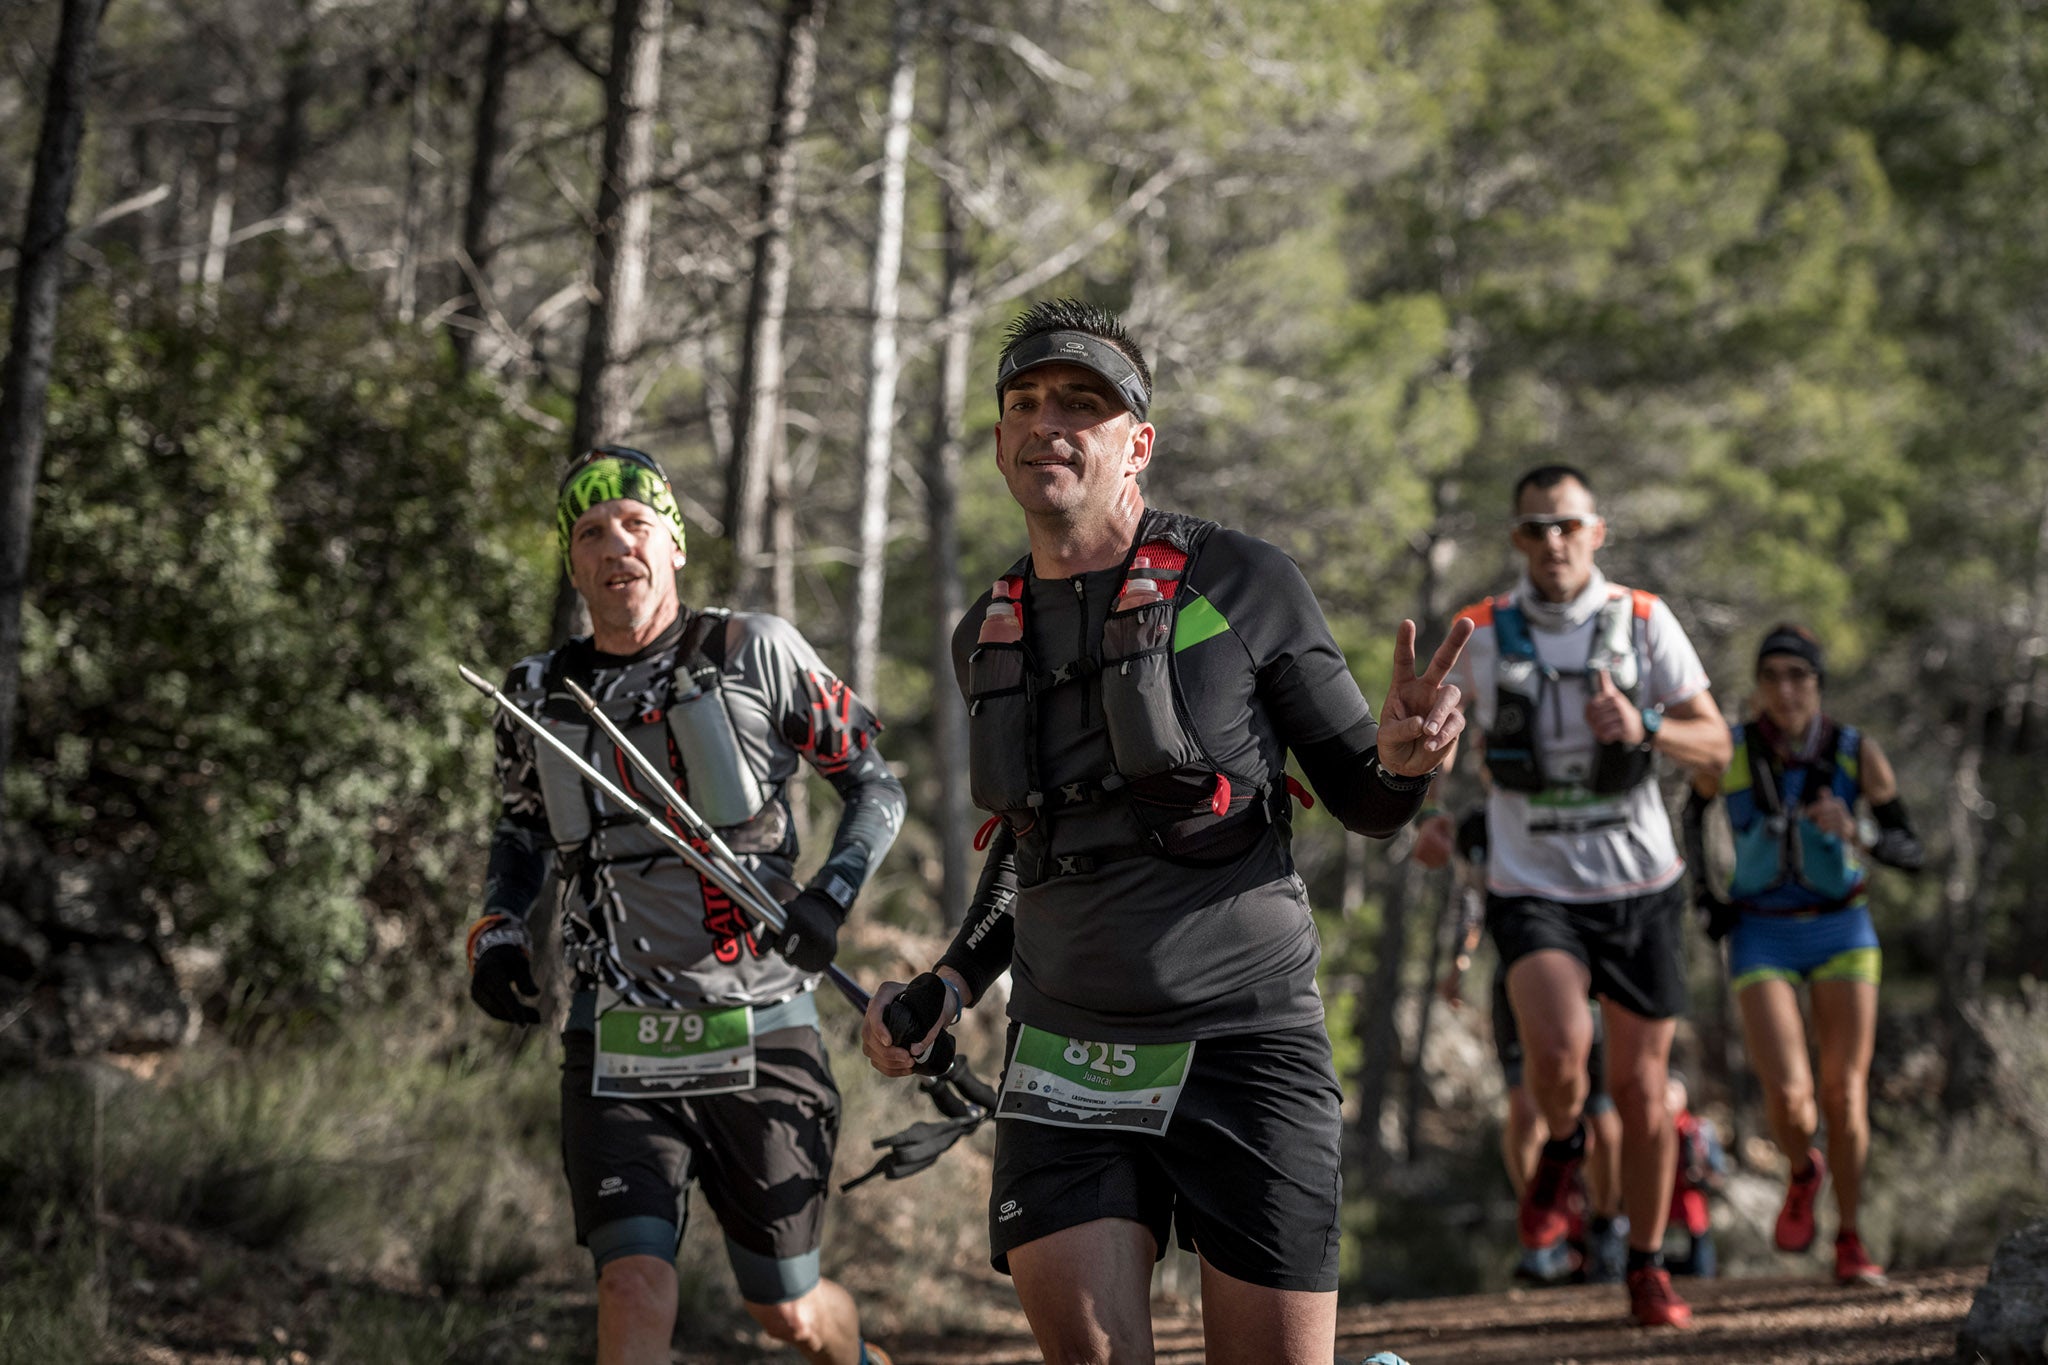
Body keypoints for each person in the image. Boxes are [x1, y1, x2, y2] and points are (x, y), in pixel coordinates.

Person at [860, 299, 1471, 1364]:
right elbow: (1033, 843)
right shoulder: (985, 633)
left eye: (1080, 405)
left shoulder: (1242, 583)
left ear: (1136, 444)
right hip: (1064, 1053)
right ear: (1001, 441)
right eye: (1024, 404)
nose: (1047, 422)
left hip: (1242, 1038)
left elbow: (1367, 804)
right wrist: (950, 982)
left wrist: (1405, 765)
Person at [465, 445, 906, 1365]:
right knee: (630, 1284)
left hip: (761, 1024)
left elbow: (874, 784)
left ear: (671, 545)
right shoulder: (537, 694)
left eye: (635, 523)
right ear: (573, 562)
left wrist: (830, 895)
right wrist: (500, 931)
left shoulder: (756, 650)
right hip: (613, 1031)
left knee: (785, 1310)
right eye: (589, 531)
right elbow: (519, 832)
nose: (614, 542)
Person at [1410, 464, 1732, 1328]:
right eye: (1532, 529)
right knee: (1554, 1059)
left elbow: (1718, 745)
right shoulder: (1480, 629)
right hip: (1532, 879)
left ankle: (1647, 1261)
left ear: (1598, 531)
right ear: (1516, 541)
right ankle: (1562, 1147)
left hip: (1640, 883)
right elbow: (1435, 741)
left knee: (1641, 1084)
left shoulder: (1644, 620)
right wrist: (1433, 813)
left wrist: (1647, 726)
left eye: (1565, 525)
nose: (1550, 542)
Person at [1688, 623, 1923, 1286]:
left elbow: (1912, 849)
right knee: (1791, 1099)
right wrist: (1706, 895)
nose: (1786, 689)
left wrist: (1861, 832)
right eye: (1773, 676)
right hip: (1761, 929)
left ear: (1818, 684)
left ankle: (1850, 1237)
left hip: (1841, 928)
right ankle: (1801, 1168)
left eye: (1800, 676)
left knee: (1844, 1094)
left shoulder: (1855, 752)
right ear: (1758, 686)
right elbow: (1690, 815)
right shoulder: (1729, 750)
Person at [1428, 810, 1627, 1285]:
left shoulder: (1582, 803)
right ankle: (1545, 1226)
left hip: (1591, 973)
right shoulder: (1479, 826)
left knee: (1597, 1111)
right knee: (1523, 1109)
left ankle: (1605, 1227)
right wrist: (1459, 959)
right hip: (1517, 977)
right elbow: (1469, 895)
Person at [1663, 1072, 1726, 1278]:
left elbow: (1718, 1173)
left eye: (1673, 1089)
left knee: (1699, 1276)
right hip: (1659, 1219)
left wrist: (1700, 1176)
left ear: (1685, 1096)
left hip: (1692, 1217)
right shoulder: (1648, 1133)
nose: (1668, 1095)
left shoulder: (1699, 1130)